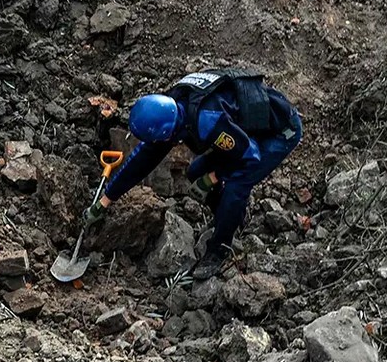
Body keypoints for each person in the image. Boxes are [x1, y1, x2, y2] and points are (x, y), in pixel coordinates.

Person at [89, 68, 303, 284]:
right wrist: (105, 201)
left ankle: (219, 249)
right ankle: (230, 218)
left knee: (236, 184)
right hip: (244, 129)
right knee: (195, 172)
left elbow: (250, 158)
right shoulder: (172, 107)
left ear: (168, 133)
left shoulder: (207, 121)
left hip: (279, 131)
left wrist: (213, 177)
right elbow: (142, 160)